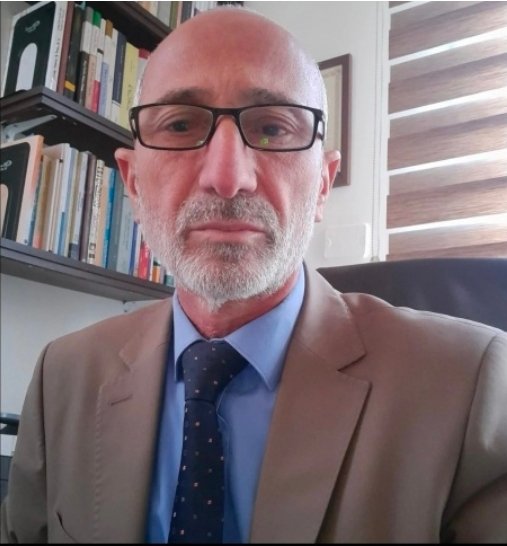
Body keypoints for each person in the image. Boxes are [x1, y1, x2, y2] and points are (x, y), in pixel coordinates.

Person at [1, 6, 506, 544]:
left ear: (322, 184)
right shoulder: (62, 377)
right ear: (133, 182)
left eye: (272, 128)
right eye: (180, 125)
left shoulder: (468, 385)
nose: (227, 178)